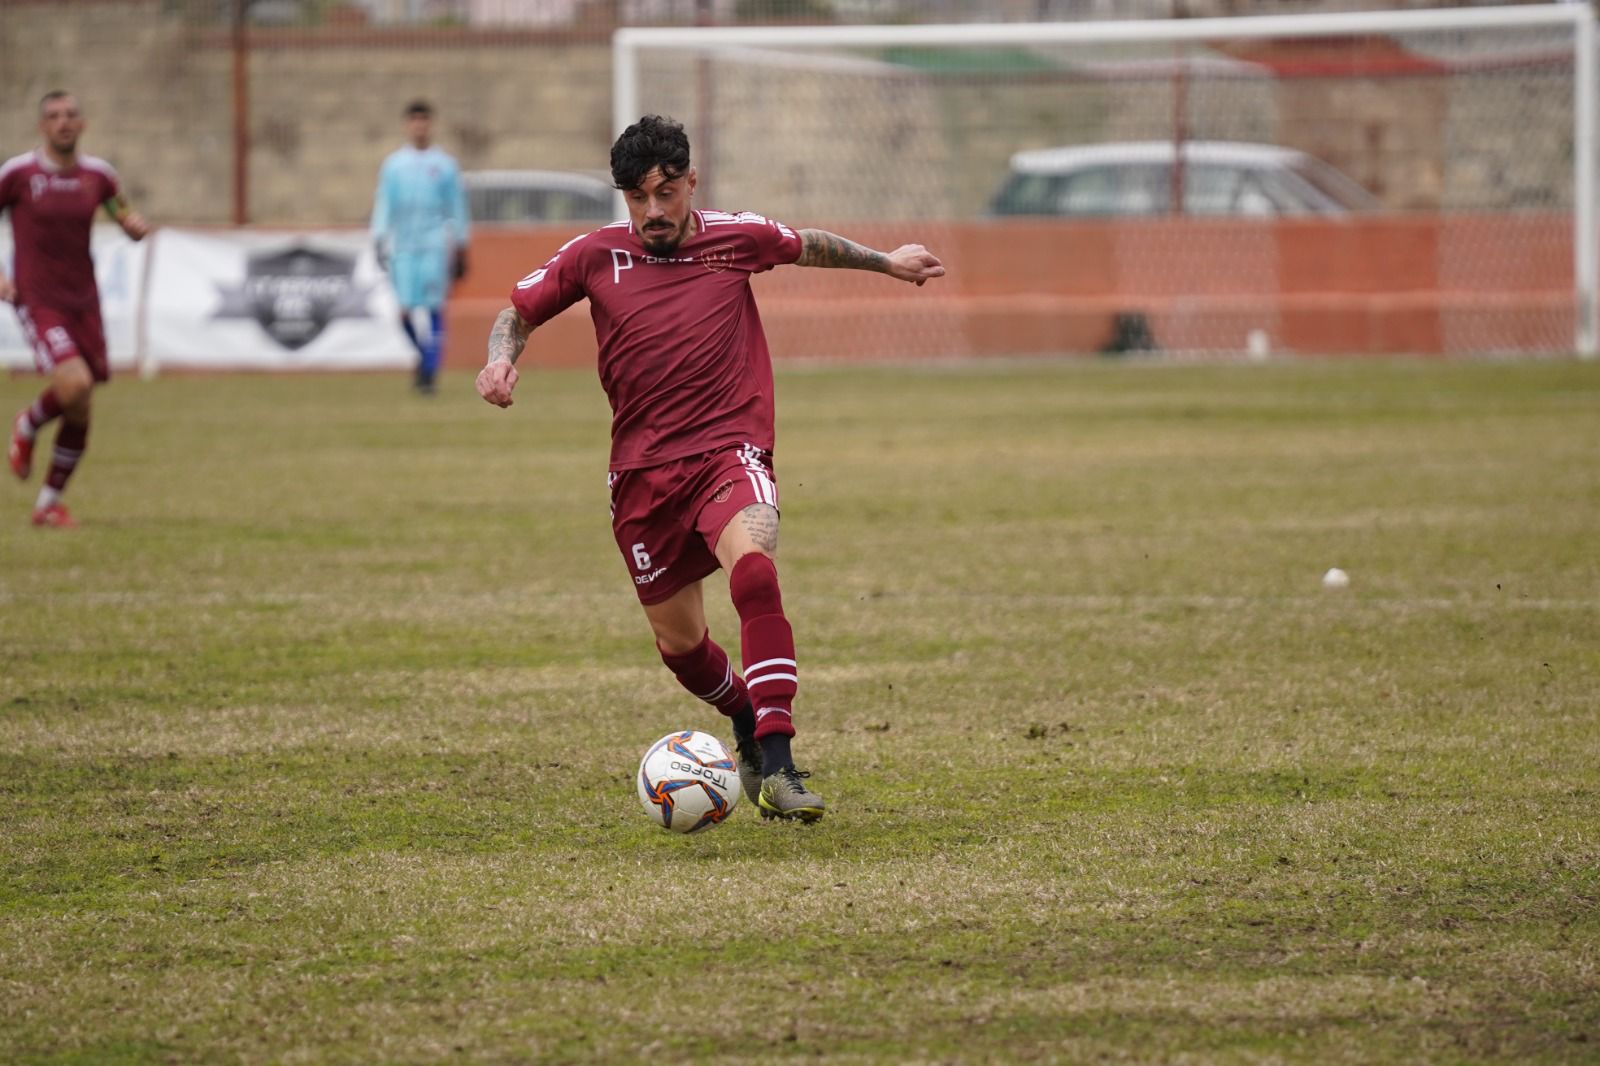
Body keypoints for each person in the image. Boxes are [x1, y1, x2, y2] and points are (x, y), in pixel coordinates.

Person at [476, 115, 945, 822]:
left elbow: (807, 245)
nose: (654, 210)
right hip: (640, 474)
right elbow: (518, 310)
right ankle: (745, 716)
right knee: (681, 645)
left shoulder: (736, 238)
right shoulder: (594, 256)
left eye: (666, 191)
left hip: (730, 451)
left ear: (691, 181)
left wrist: (886, 261)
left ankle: (781, 766)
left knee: (753, 569)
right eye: (637, 197)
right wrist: (500, 357)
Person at [3, 91, 149, 529]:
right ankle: (27, 424)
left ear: (82, 125)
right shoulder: (18, 175)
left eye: (70, 116)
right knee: (74, 383)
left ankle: (49, 503)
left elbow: (122, 211)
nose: (63, 122)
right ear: (41, 127)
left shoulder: (99, 177)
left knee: (81, 405)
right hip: (39, 299)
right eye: (53, 116)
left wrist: (133, 226)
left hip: (84, 301)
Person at [370, 99, 470, 395]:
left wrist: (462, 245)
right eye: (414, 120)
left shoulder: (445, 165)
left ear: (431, 124)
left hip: (434, 246)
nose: (419, 126)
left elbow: (457, 207)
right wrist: (379, 237)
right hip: (403, 247)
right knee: (403, 312)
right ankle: (423, 357)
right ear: (407, 125)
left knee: (435, 308)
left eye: (424, 120)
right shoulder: (394, 165)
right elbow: (384, 203)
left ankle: (429, 373)